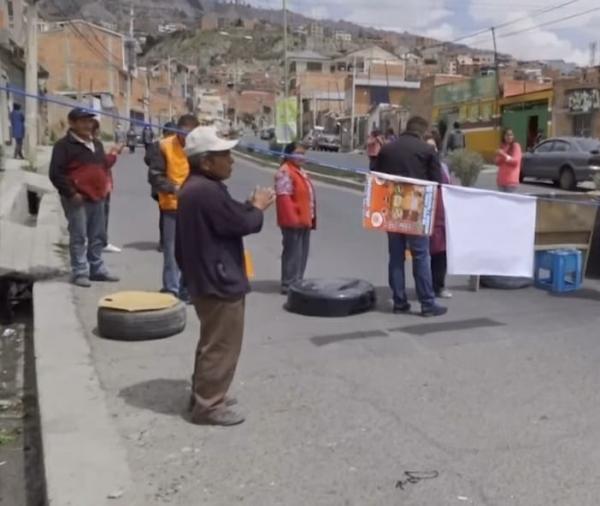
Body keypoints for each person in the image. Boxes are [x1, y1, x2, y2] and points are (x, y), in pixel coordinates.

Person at [175, 125, 275, 426]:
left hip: (206, 275)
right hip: (218, 279)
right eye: (224, 156)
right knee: (222, 344)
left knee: (211, 340)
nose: (230, 161)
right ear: (206, 162)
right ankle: (209, 406)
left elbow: (230, 216)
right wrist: (257, 208)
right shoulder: (204, 191)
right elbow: (239, 224)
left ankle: (204, 393)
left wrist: (248, 207)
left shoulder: (201, 188)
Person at [374, 116, 447, 317]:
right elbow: (437, 182)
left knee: (396, 257)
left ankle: (399, 302)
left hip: (392, 208)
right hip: (416, 208)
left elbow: (376, 176)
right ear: (422, 132)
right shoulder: (427, 151)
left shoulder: (387, 149)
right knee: (421, 256)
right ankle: (427, 303)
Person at [49, 108, 119, 287]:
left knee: (97, 236)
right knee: (79, 236)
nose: (87, 125)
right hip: (78, 199)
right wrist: (72, 193)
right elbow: (55, 173)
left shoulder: (96, 144)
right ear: (72, 123)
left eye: (89, 121)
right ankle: (80, 271)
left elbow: (102, 166)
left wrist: (113, 156)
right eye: (83, 121)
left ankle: (97, 269)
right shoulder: (64, 146)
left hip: (98, 198)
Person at [148, 114, 200, 300]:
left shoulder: (200, 146)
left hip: (195, 207)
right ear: (178, 130)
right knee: (171, 251)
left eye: (191, 134)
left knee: (193, 250)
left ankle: (188, 289)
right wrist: (173, 189)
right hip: (172, 206)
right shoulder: (163, 146)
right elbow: (155, 175)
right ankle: (171, 288)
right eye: (184, 133)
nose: (187, 138)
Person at [275, 142, 316, 294]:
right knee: (292, 252)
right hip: (293, 221)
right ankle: (288, 283)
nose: (301, 156)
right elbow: (283, 198)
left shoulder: (300, 171)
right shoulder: (285, 172)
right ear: (289, 154)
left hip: (304, 219)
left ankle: (297, 281)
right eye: (297, 153)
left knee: (302, 252)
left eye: (303, 153)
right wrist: (293, 220)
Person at [425, 133, 452, 299]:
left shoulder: (443, 167)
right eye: (427, 146)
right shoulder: (420, 167)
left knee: (441, 253)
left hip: (442, 215)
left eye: (433, 147)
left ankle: (439, 286)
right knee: (424, 254)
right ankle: (426, 287)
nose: (431, 150)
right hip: (427, 215)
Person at [91, 119, 124, 253]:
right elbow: (104, 163)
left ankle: (98, 241)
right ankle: (100, 242)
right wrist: (114, 153)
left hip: (100, 185)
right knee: (101, 214)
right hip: (99, 186)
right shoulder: (94, 144)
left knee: (101, 214)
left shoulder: (93, 144)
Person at [146, 121, 176, 252]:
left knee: (166, 215)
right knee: (166, 214)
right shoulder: (159, 145)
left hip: (171, 185)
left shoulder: (164, 144)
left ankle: (166, 241)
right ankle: (165, 242)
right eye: (171, 133)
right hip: (162, 185)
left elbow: (147, 159)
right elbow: (148, 160)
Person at [495, 128, 522, 193]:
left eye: (511, 135)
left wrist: (503, 154)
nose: (509, 137)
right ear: (503, 136)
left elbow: (515, 161)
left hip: (511, 182)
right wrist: (500, 155)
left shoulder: (516, 146)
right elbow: (497, 162)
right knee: (501, 203)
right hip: (501, 182)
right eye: (507, 135)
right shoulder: (503, 147)